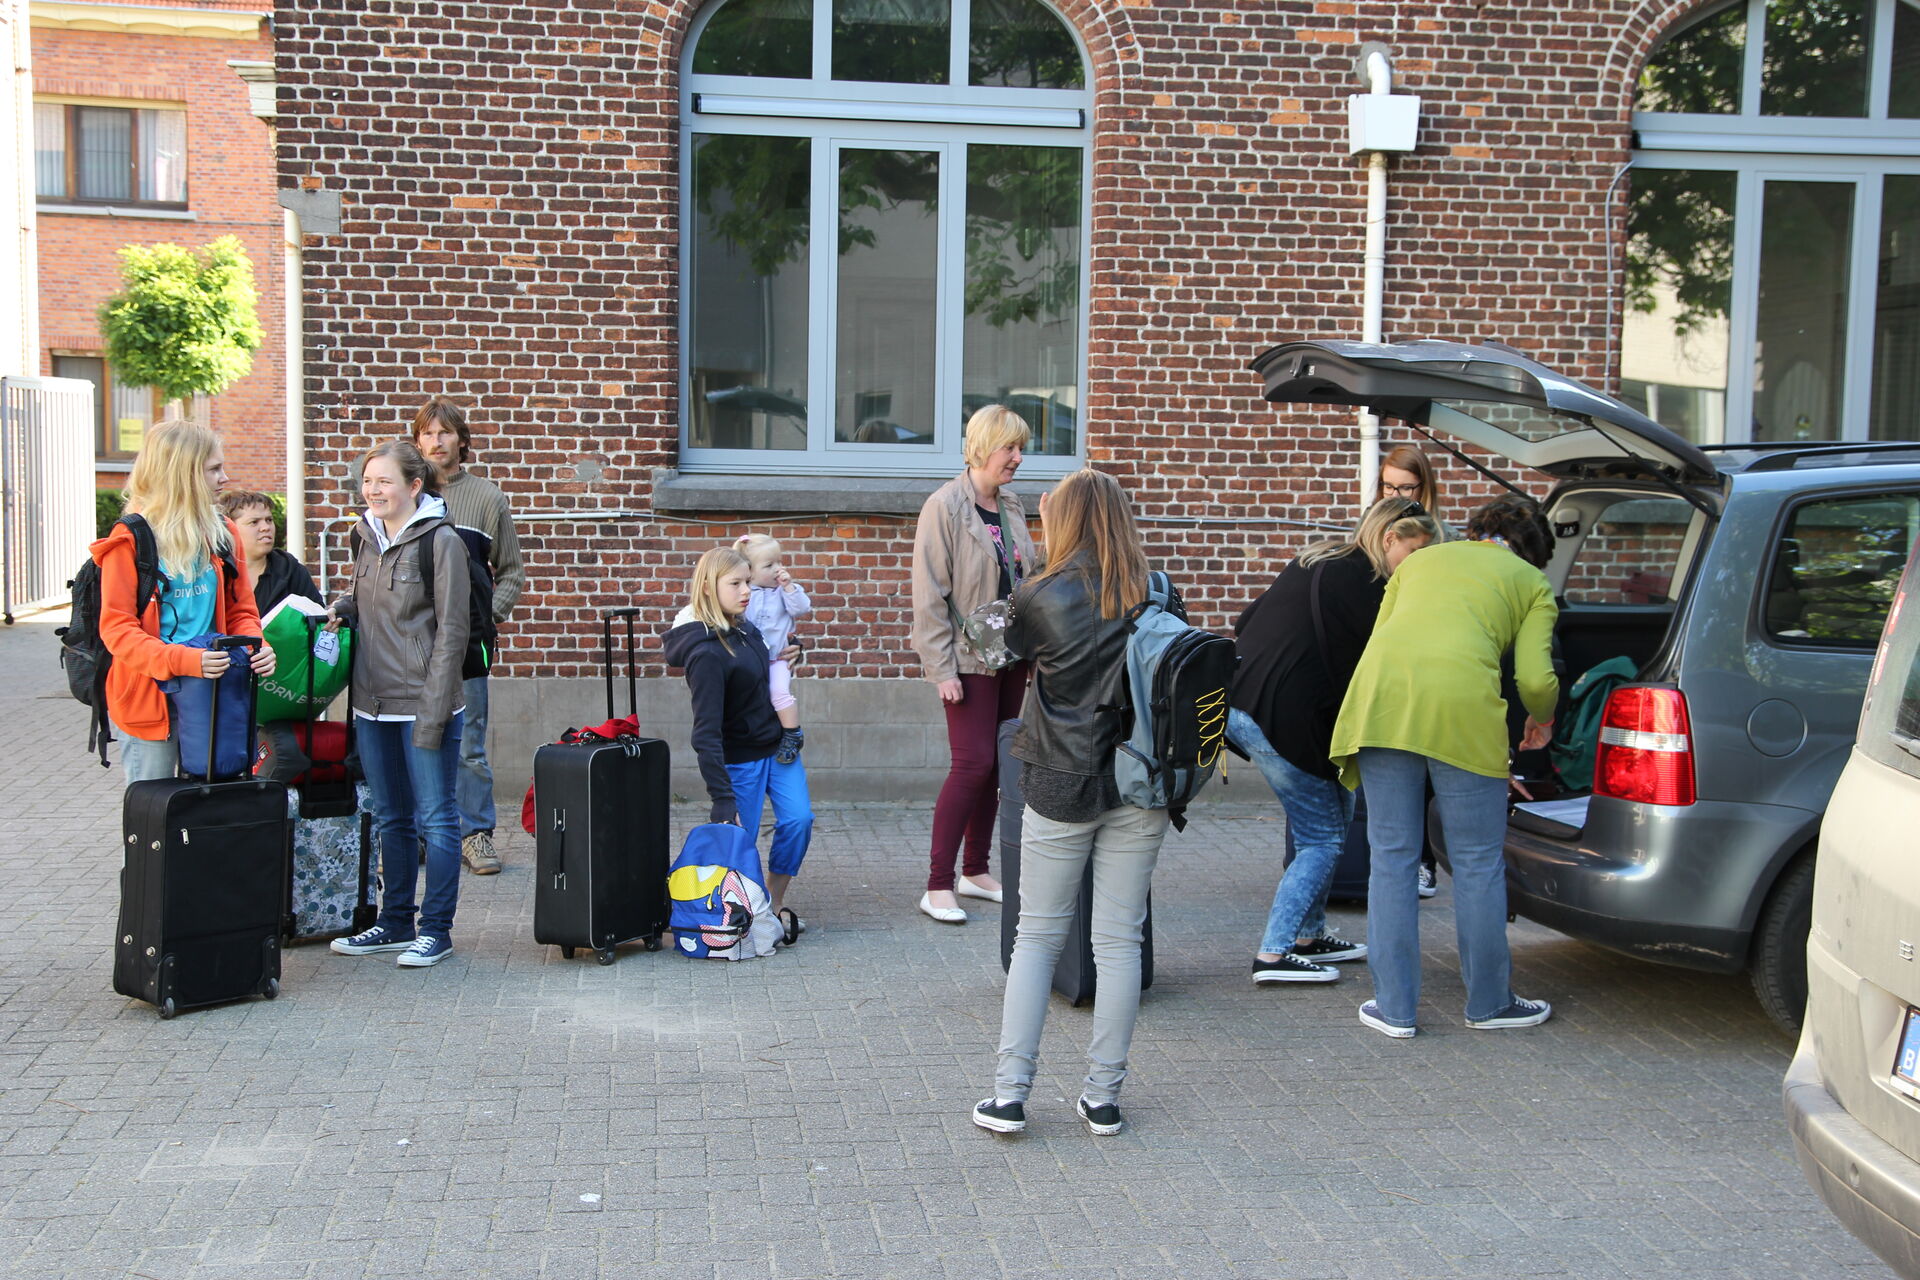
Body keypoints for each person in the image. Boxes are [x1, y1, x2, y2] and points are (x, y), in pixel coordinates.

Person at [973, 468, 1171, 1140]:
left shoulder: (1041, 593)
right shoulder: (1157, 589)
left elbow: (992, 646)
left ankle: (1009, 1097)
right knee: (1119, 940)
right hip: (1141, 779)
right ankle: (1103, 1099)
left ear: (1064, 521)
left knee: (1037, 935)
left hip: (1061, 776)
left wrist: (1023, 567)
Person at [1329, 493, 1560, 1038]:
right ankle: (1489, 1004)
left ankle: (1394, 1010)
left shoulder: (1419, 562)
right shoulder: (1532, 584)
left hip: (1381, 706)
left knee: (1391, 858)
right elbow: (1534, 679)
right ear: (1535, 553)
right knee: (1477, 862)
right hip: (1463, 711)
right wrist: (1542, 718)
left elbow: (1384, 638)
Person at [1226, 498, 1439, 984]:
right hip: (1284, 719)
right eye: (1416, 551)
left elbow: (1245, 620)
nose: (1420, 563)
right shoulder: (1372, 587)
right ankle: (1274, 954)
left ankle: (1309, 935)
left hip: (1245, 703)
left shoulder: (1319, 558)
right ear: (1390, 538)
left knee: (1335, 817)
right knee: (1322, 838)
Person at [326, 440, 471, 969]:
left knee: (436, 819)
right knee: (390, 816)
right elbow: (376, 604)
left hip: (424, 703)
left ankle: (436, 931)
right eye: (368, 481)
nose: (373, 490)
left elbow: (452, 633)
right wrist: (345, 608)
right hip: (372, 703)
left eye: (384, 481)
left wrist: (435, 711)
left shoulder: (442, 541)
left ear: (414, 485)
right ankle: (394, 923)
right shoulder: (363, 534)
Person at [909, 405, 1040, 924]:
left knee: (997, 765)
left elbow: (1025, 576)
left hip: (1010, 655)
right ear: (984, 447)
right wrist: (941, 670)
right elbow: (928, 596)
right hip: (967, 659)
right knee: (971, 764)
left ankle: (976, 871)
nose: (1018, 457)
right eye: (1010, 447)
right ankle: (937, 884)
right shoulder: (944, 506)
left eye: (1021, 448)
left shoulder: (1011, 504)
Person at [92, 421, 275, 784]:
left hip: (213, 692)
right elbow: (117, 630)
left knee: (211, 804)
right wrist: (184, 660)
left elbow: (241, 610)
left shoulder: (223, 532)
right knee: (156, 809)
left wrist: (257, 646)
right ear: (183, 473)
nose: (224, 477)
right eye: (213, 469)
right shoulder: (130, 539)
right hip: (149, 699)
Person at [664, 545, 814, 937]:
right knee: (739, 842)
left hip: (776, 749)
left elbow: (765, 669)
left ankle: (773, 903)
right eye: (736, 583)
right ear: (709, 587)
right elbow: (705, 733)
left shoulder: (746, 628)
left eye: (748, 581)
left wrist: (791, 652)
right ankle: (741, 914)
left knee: (799, 820)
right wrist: (722, 798)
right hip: (740, 759)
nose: (747, 590)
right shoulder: (705, 654)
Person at [412, 397, 525, 876]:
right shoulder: (407, 494)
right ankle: (420, 836)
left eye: (445, 432)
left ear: (462, 440)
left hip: (468, 647)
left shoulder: (486, 497)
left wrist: (487, 617)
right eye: (427, 433)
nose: (436, 441)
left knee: (469, 745)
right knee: (416, 738)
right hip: (413, 644)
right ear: (417, 442)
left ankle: (475, 835)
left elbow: (512, 570)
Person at [1378, 443, 1447, 898]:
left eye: (1405, 487)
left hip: (1426, 658)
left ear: (1424, 488)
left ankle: (1425, 861)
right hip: (1392, 658)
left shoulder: (1440, 537)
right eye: (1388, 486)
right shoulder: (1376, 529)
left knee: (1424, 765)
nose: (1396, 495)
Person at [734, 533, 811, 764]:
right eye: (769, 565)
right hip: (750, 660)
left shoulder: (784, 592)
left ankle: (792, 733)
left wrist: (789, 588)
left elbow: (801, 608)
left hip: (778, 658)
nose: (778, 569)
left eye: (779, 562)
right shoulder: (745, 593)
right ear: (749, 571)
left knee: (779, 692)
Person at [216, 488, 321, 616]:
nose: (266, 527)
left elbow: (317, 618)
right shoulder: (214, 571)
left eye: (269, 520)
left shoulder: (290, 570)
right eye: (254, 522)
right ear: (229, 529)